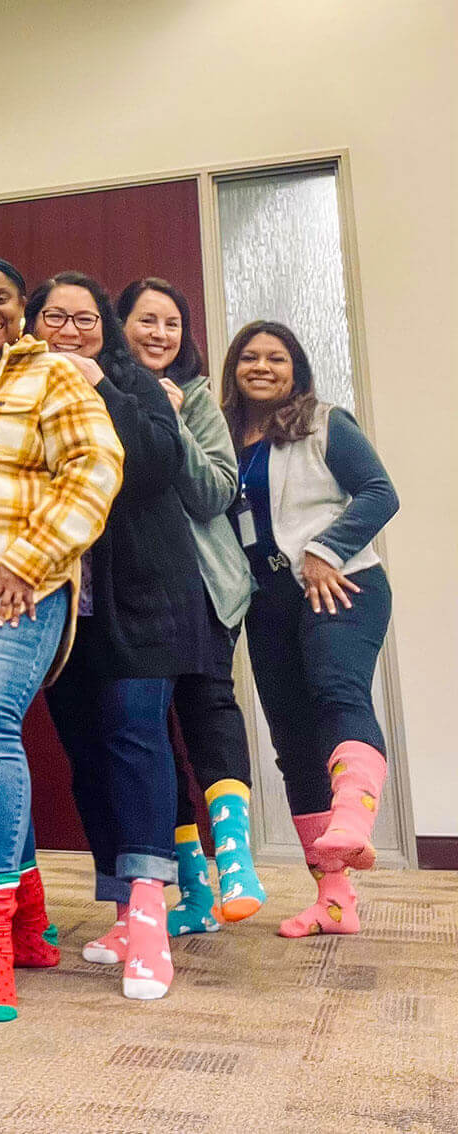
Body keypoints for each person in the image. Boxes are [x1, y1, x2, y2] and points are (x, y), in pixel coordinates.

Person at [0, 258, 123, 1022]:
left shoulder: (52, 374)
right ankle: (28, 921)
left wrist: (33, 557)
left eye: (1, 299)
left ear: (23, 307)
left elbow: (96, 466)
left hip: (15, 583)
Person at [29, 270, 213, 1001]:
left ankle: (148, 919)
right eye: (54, 317)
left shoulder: (137, 385)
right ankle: (121, 908)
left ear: (105, 329)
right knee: (87, 753)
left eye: (85, 319)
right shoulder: (19, 386)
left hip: (145, 595)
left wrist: (97, 383)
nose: (69, 331)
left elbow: (152, 467)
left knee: (135, 735)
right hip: (64, 600)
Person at [219, 321, 398, 937]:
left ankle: (353, 816)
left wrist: (327, 547)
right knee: (292, 742)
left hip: (339, 582)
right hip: (266, 601)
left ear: (296, 369)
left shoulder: (325, 422)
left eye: (277, 358)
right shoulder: (221, 435)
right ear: (234, 368)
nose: (263, 366)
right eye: (250, 357)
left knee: (336, 692)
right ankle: (333, 898)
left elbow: (379, 493)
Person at [117, 277, 265, 935]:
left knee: (207, 704)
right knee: (148, 731)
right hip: (131, 586)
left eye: (171, 323)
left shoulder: (199, 399)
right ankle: (195, 892)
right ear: (120, 326)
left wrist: (172, 421)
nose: (158, 333)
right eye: (146, 320)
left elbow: (214, 495)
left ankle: (236, 863)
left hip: (202, 582)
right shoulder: (102, 397)